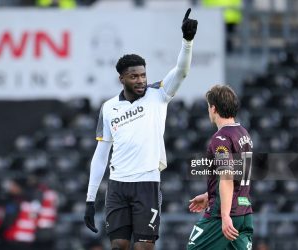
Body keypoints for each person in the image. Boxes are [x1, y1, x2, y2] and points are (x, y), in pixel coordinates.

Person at [84, 8, 198, 250]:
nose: (141, 80)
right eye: (134, 76)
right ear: (121, 79)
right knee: (118, 246)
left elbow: (182, 71)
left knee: (144, 247)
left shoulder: (159, 94)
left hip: (147, 183)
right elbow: (101, 154)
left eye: (143, 75)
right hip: (117, 185)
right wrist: (90, 199)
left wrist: (187, 42)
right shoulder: (109, 108)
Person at [187, 85, 253, 250]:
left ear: (213, 108)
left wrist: (224, 215)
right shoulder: (243, 133)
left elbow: (227, 177)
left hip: (223, 213)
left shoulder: (221, 138)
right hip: (244, 209)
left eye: (208, 106)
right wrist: (209, 194)